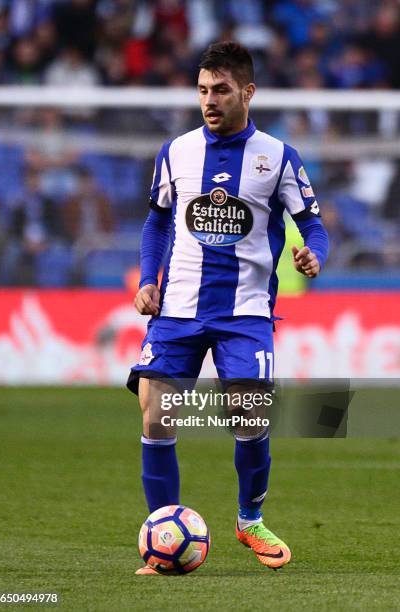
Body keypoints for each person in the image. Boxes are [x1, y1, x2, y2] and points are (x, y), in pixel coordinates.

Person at [127, 41, 328, 575]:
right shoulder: (175, 152)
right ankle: (162, 532)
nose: (209, 100)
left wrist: (314, 253)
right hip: (178, 308)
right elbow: (156, 222)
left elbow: (312, 223)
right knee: (156, 412)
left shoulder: (278, 157)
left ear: (248, 91)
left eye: (220, 90)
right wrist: (149, 279)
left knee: (249, 415)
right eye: (202, 90)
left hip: (244, 312)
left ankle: (249, 518)